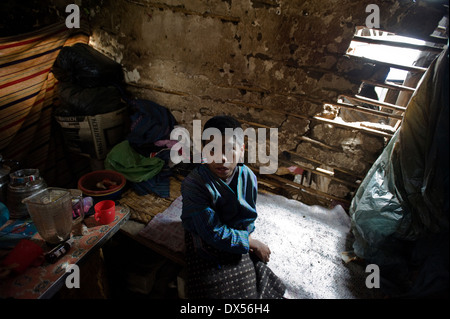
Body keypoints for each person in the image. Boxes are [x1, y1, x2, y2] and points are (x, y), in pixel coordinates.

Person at [181, 115, 286, 299]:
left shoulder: (248, 177)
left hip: (234, 233)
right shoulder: (194, 184)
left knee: (255, 286)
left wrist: (246, 235)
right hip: (204, 239)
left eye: (230, 149)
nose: (222, 158)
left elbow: (248, 216)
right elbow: (211, 232)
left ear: (241, 150)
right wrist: (250, 242)